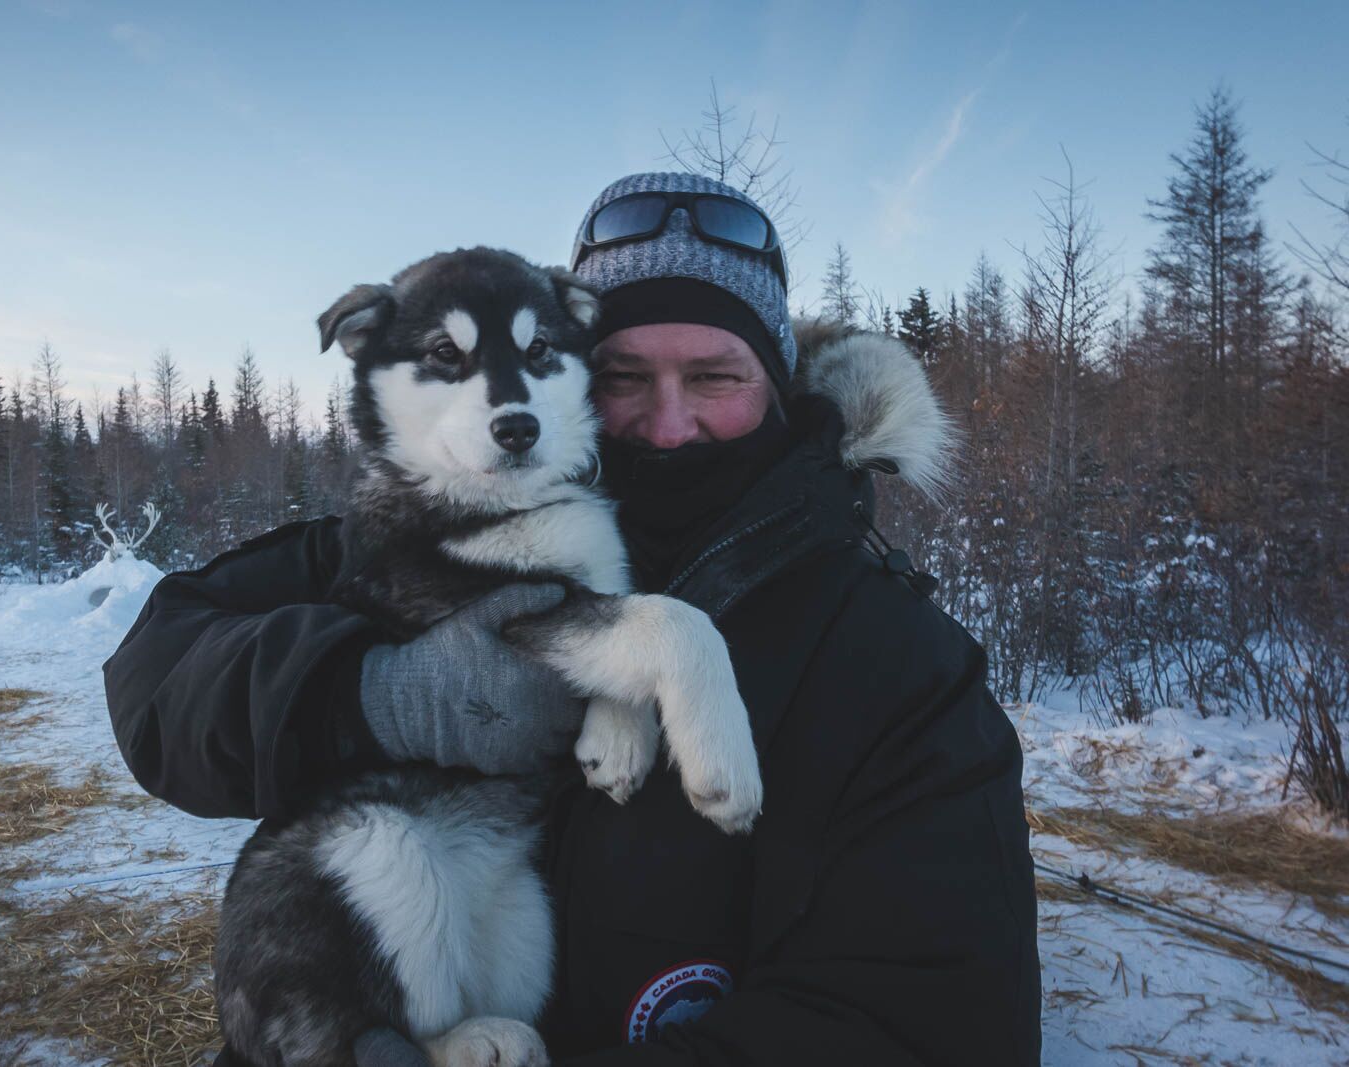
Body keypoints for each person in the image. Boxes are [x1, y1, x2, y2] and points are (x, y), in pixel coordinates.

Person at [103, 171, 1041, 1065]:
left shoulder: (898, 659)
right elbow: (157, 674)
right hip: (373, 954)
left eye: (715, 377)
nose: (669, 426)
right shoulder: (416, 521)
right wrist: (364, 694)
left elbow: (937, 1027)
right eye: (627, 376)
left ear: (782, 385)